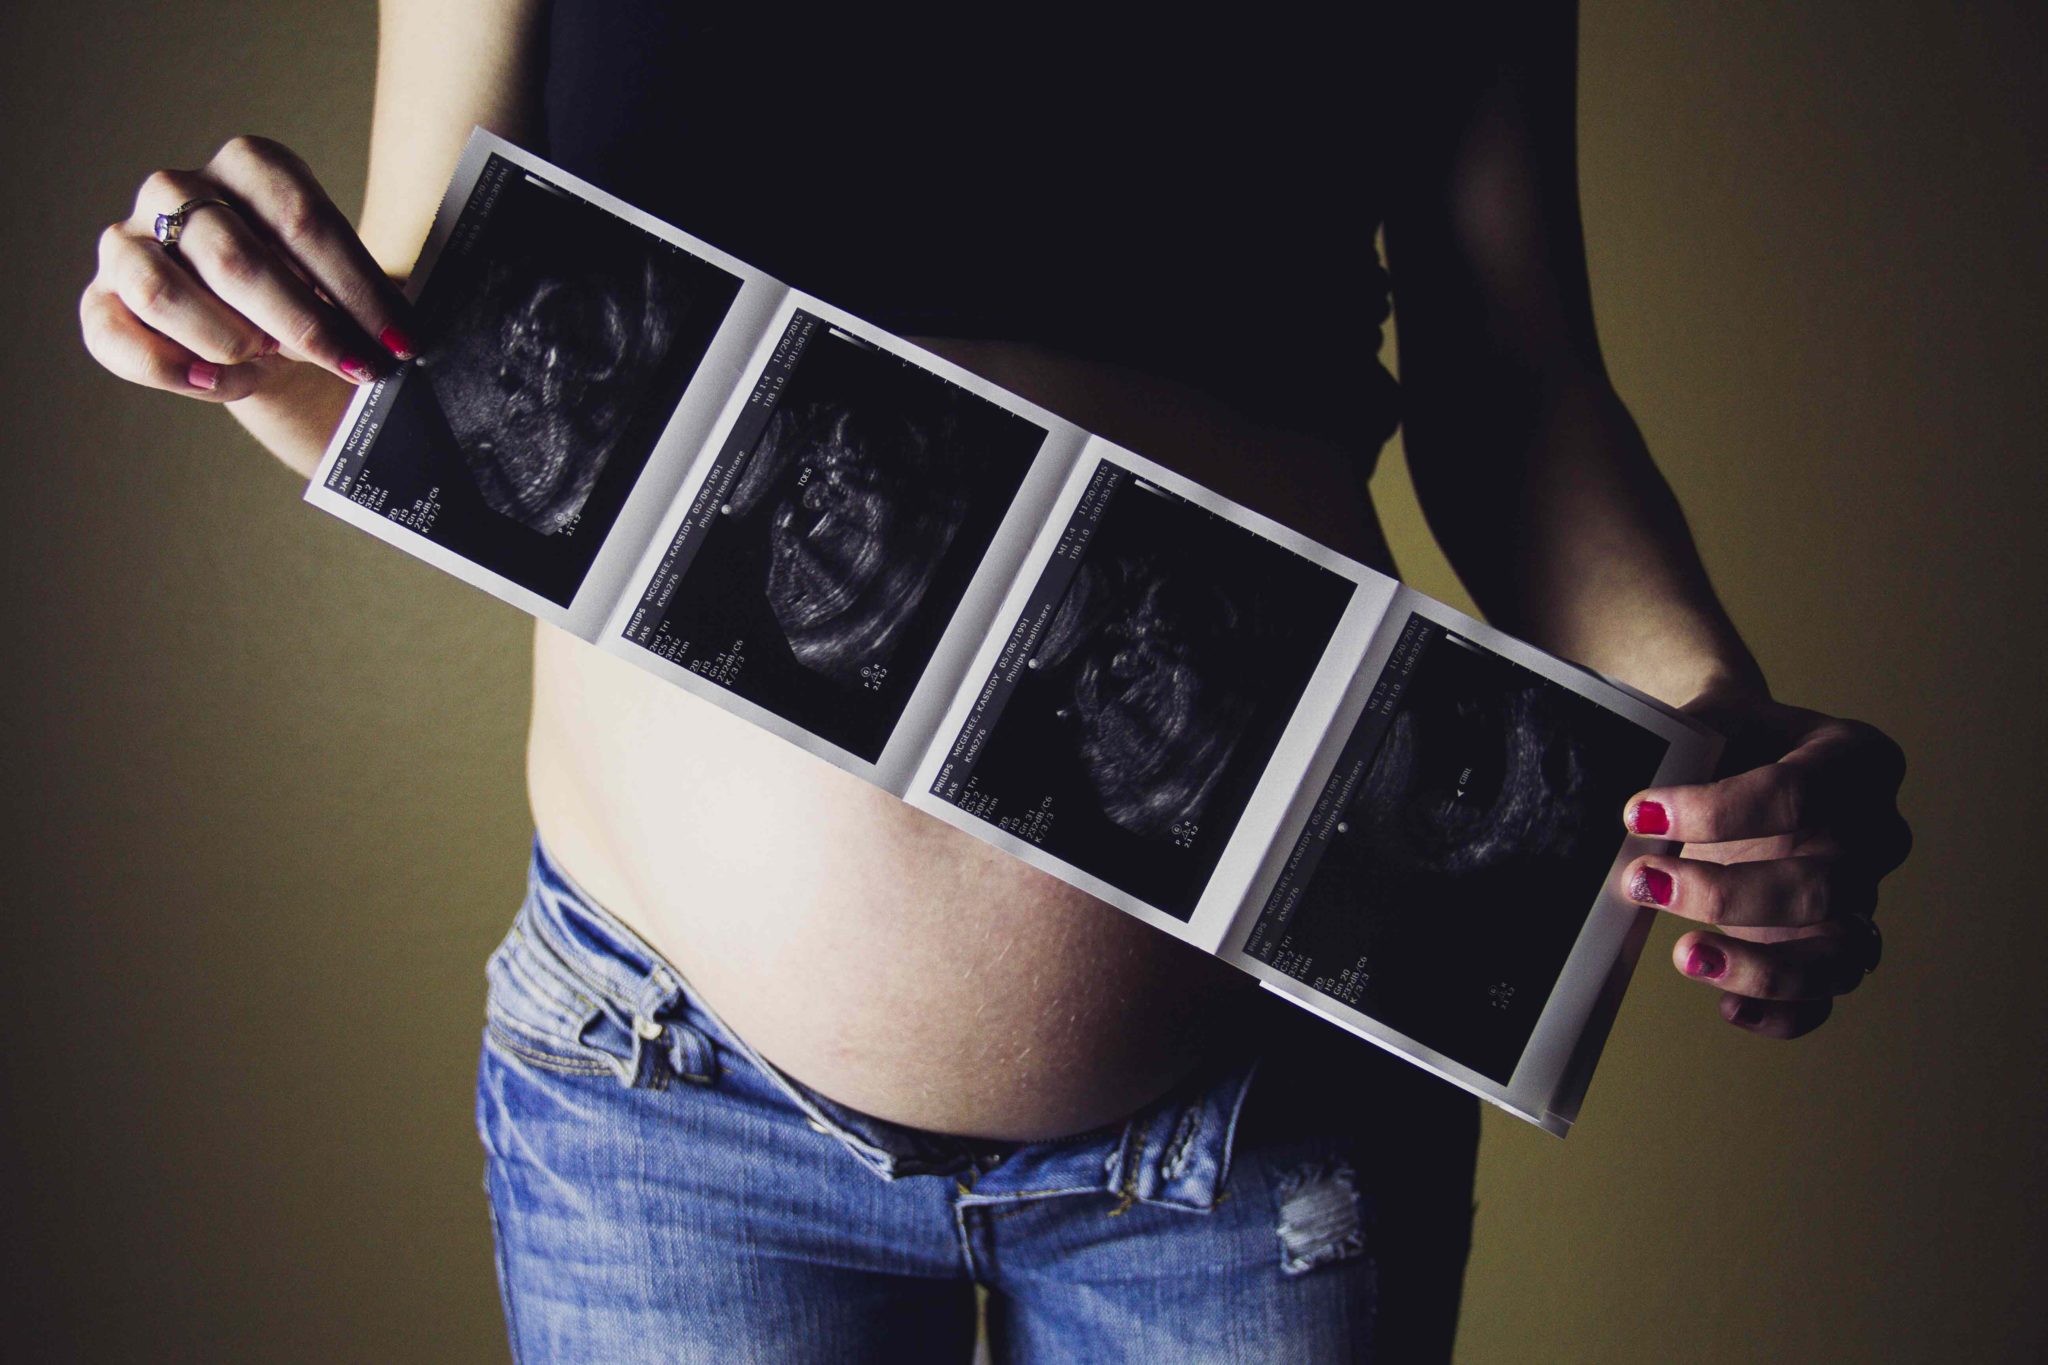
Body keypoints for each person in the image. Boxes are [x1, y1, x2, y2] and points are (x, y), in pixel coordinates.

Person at [76, 4, 1911, 1362]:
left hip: (1257, 1116)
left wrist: (1708, 713)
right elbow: (405, 354)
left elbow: (1513, 379)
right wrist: (226, 315)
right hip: (666, 1098)